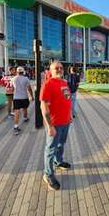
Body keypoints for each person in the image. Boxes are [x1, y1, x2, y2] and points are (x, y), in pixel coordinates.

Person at [40, 61, 72, 191]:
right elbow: (44, 106)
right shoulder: (48, 84)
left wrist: (69, 115)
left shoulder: (64, 83)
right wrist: (50, 126)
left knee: (61, 144)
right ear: (50, 70)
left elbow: (67, 99)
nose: (59, 69)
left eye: (61, 67)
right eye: (56, 68)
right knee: (50, 149)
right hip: (54, 124)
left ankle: (58, 162)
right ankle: (48, 174)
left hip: (65, 122)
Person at [11, 66, 34, 135]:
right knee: (25, 108)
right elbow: (29, 88)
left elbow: (12, 89)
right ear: (23, 72)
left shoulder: (13, 79)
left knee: (16, 112)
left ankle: (16, 126)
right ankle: (25, 118)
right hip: (24, 97)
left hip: (16, 98)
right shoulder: (26, 79)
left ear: (17, 72)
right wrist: (32, 96)